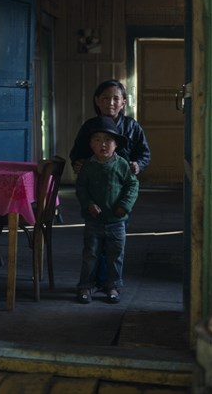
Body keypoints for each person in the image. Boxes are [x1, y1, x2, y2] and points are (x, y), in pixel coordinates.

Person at [75, 116, 139, 304]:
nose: (102, 144)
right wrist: (88, 204)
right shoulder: (87, 167)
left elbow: (132, 186)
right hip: (93, 221)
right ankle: (85, 286)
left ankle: (113, 286)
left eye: (108, 140)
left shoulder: (122, 166)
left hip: (116, 221)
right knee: (90, 254)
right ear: (91, 145)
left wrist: (124, 206)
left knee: (115, 255)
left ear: (116, 144)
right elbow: (81, 188)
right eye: (97, 140)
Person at [70, 79, 151, 176]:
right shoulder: (89, 126)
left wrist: (138, 165)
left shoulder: (132, 126)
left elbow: (144, 154)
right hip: (95, 178)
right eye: (105, 98)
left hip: (123, 179)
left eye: (116, 99)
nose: (111, 103)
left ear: (123, 103)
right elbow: (77, 153)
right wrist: (78, 163)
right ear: (97, 101)